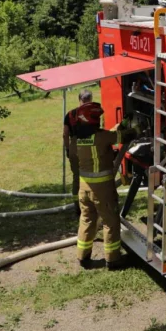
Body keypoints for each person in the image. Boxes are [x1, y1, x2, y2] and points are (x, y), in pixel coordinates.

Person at [63, 89, 135, 270]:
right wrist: (134, 128)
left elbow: (76, 156)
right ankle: (113, 259)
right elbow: (121, 136)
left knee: (87, 220)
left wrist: (121, 123)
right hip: (102, 189)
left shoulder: (76, 140)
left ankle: (83, 256)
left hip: (83, 188)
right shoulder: (102, 137)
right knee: (110, 222)